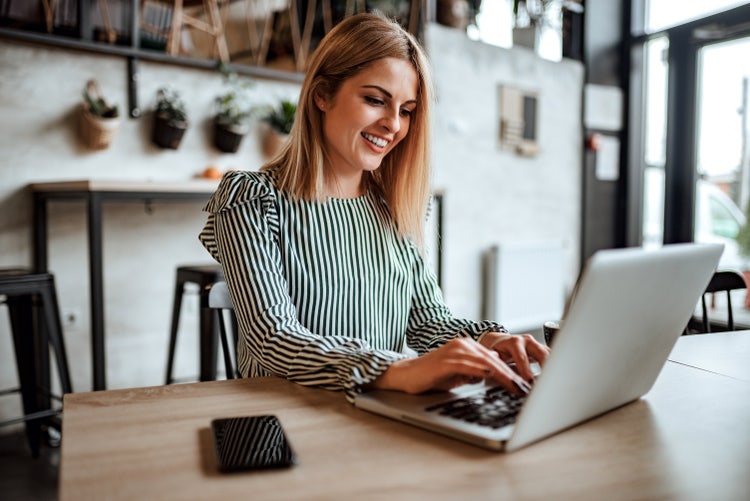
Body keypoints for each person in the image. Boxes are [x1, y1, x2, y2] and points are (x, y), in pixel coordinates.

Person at [199, 12, 549, 403]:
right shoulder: (253, 200)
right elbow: (274, 340)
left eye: (407, 110)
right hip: (287, 421)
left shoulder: (393, 207)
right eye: (375, 100)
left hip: (378, 413)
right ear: (322, 95)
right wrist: (395, 369)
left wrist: (487, 340)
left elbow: (427, 321)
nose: (393, 125)